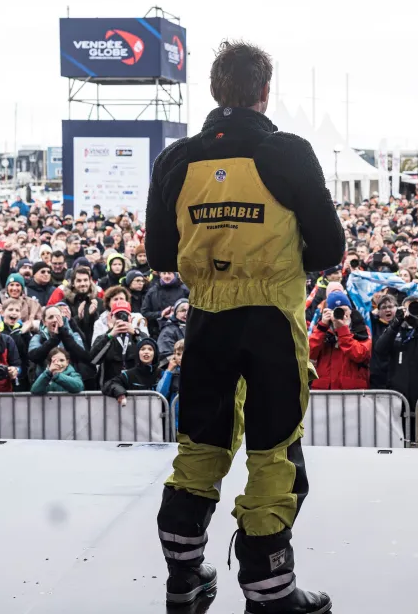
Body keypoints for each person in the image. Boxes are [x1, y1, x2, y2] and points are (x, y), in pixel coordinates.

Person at [146, 40, 343, 612]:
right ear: (264, 92)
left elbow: (161, 252)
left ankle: (182, 580)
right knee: (274, 451)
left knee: (198, 448)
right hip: (273, 324)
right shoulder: (287, 152)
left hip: (206, 320)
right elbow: (330, 246)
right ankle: (270, 590)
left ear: (214, 90)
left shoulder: (176, 159)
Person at [308, 289, 372, 390]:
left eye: (344, 310)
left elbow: (360, 354)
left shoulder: (361, 330)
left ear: (351, 310)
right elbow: (310, 353)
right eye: (337, 310)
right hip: (325, 392)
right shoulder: (322, 329)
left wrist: (343, 331)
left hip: (352, 393)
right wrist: (322, 327)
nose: (342, 314)